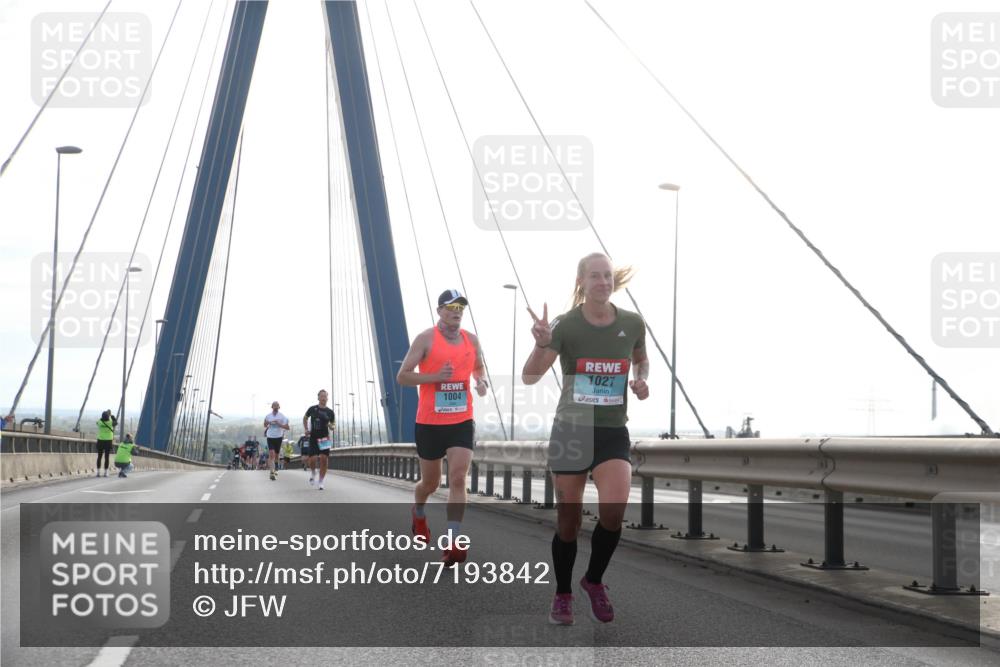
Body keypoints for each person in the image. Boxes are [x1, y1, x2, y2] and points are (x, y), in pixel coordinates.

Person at [521, 252, 648, 625]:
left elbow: (641, 358)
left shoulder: (632, 322)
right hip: (572, 429)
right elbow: (530, 376)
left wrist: (640, 379)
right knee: (569, 523)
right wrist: (542, 343)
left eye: (607, 275)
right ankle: (562, 593)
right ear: (581, 282)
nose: (603, 282)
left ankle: (593, 581)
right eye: (595, 276)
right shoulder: (566, 325)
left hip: (612, 430)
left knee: (614, 510)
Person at [397, 289, 488, 567]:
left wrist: (481, 382)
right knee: (431, 483)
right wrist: (436, 376)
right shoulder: (426, 339)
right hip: (429, 422)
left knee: (458, 478)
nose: (456, 311)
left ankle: (453, 540)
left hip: (461, 419)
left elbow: (479, 368)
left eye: (461, 307)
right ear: (439, 311)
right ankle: (419, 511)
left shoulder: (471, 340)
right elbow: (403, 376)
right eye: (451, 307)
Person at [302, 390, 336, 489]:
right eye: (321, 396)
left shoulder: (330, 412)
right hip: (313, 437)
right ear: (318, 398)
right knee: (312, 459)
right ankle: (313, 472)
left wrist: (331, 426)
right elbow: (305, 418)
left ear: (327, 398)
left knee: (324, 460)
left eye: (325, 396)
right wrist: (306, 429)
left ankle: (321, 481)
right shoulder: (312, 409)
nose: (323, 398)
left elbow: (333, 424)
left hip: (325, 438)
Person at [264, 402, 290, 481]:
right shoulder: (268, 416)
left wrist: (279, 424)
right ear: (272, 407)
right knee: (271, 454)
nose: (275, 407)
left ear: (279, 407)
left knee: (276, 454)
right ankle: (272, 472)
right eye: (274, 405)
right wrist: (269, 422)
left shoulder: (282, 416)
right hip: (270, 436)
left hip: (279, 437)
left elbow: (287, 427)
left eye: (277, 406)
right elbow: (265, 425)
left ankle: (276, 464)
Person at [95, 410, 117, 478]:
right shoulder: (110, 422)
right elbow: (115, 422)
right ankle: (106, 472)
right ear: (108, 416)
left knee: (99, 457)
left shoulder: (100, 422)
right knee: (106, 457)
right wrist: (111, 415)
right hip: (108, 441)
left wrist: (102, 417)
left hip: (100, 440)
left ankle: (98, 472)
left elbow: (97, 422)